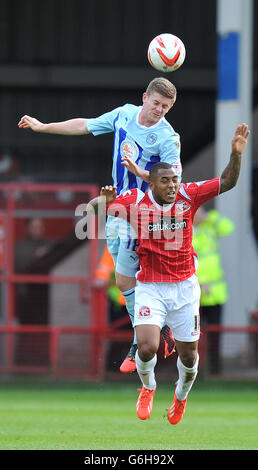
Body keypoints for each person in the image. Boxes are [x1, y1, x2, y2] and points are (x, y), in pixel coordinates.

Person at [88, 123, 250, 424]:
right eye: (166, 181)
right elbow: (92, 208)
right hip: (150, 285)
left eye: (176, 179)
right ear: (152, 183)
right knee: (148, 346)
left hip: (185, 288)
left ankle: (180, 397)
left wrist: (235, 154)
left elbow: (227, 181)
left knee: (188, 357)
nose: (173, 185)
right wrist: (105, 201)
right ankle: (148, 388)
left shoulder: (189, 195)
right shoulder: (135, 202)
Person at [18, 77, 181, 372]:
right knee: (122, 281)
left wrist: (139, 171)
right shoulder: (123, 115)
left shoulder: (168, 138)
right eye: (156, 103)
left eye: (166, 107)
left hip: (144, 213)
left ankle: (147, 337)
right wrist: (44, 126)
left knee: (135, 278)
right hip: (118, 209)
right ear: (145, 97)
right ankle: (160, 330)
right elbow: (85, 125)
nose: (159, 110)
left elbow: (172, 183)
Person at [192, 207, 235, 374]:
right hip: (195, 293)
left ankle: (215, 370)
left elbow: (228, 227)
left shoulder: (210, 226)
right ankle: (195, 369)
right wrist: (201, 282)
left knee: (215, 333)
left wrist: (210, 217)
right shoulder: (187, 231)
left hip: (216, 294)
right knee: (192, 333)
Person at [15, 218, 53, 365]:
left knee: (44, 330)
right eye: (34, 226)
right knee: (27, 331)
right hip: (26, 296)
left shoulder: (49, 244)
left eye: (40, 226)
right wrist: (36, 257)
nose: (38, 229)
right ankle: (24, 364)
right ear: (27, 228)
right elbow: (18, 265)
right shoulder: (21, 247)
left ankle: (43, 362)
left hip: (45, 297)